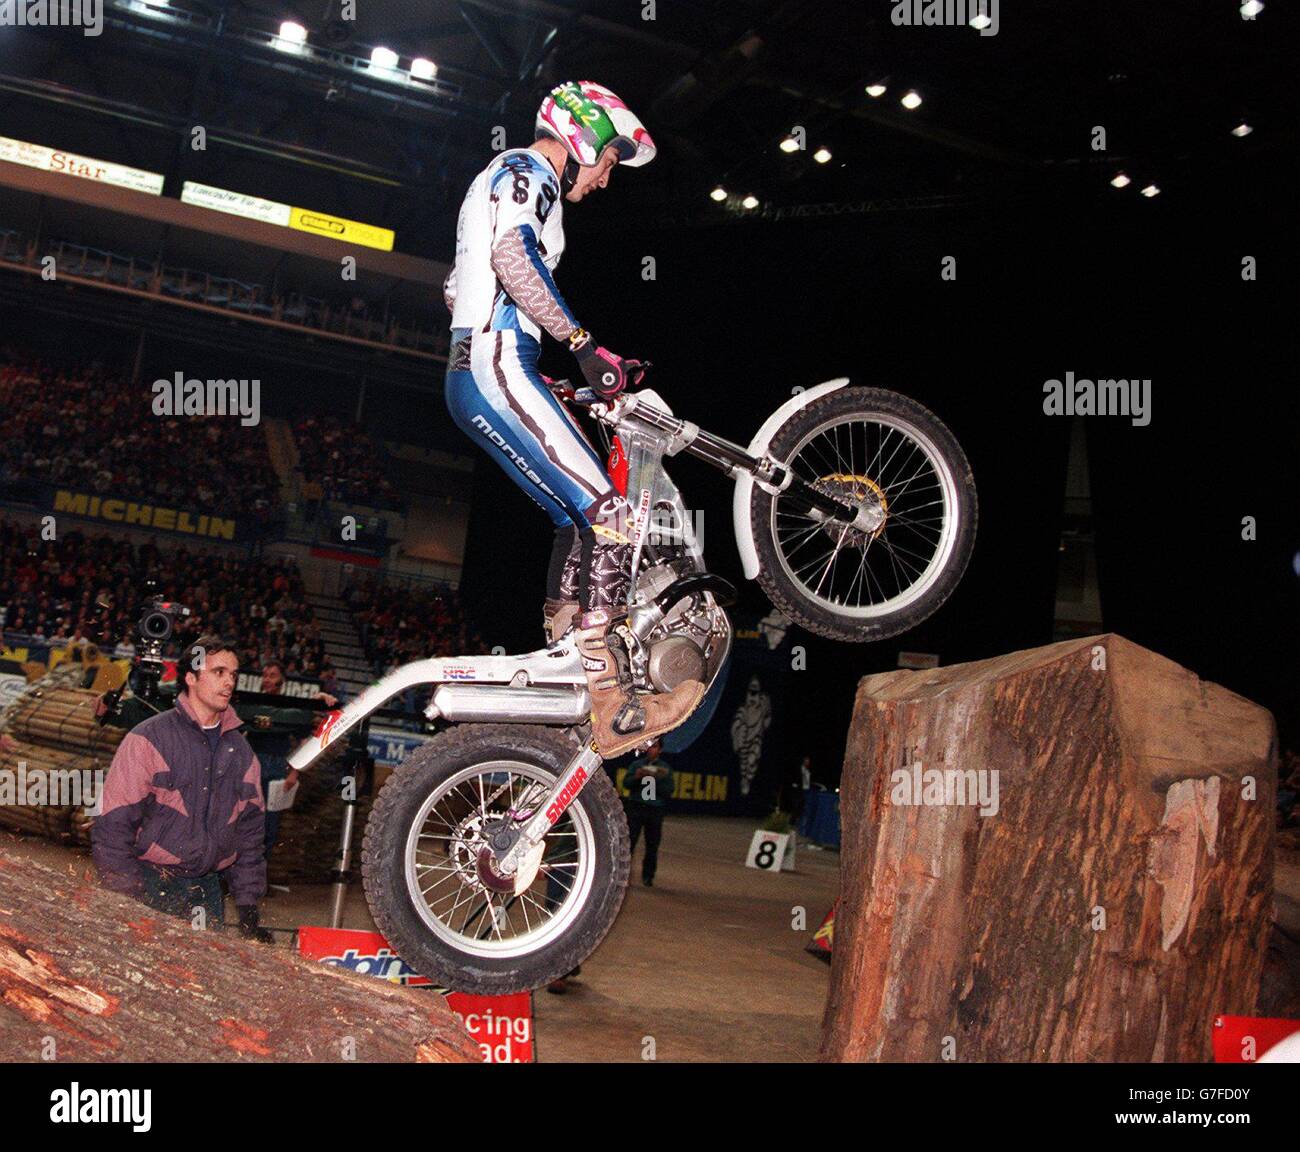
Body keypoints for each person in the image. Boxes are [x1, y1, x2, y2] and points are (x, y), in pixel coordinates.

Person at [441, 79, 703, 758]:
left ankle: (568, 640)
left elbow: (457, 285)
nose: (608, 179)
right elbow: (509, 258)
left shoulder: (504, 180)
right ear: (583, 136)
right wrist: (585, 348)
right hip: (495, 368)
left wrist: (540, 376)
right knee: (612, 511)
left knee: (575, 517)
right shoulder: (529, 171)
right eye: (610, 161)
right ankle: (612, 699)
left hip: (486, 369)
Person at [91, 633, 273, 942]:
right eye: (218, 672)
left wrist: (248, 909)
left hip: (207, 892)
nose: (229, 682)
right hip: (150, 881)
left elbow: (250, 836)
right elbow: (113, 823)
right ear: (190, 676)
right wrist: (124, 895)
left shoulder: (241, 754)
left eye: (233, 674)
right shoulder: (149, 738)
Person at [622, 738, 673, 887]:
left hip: (654, 810)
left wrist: (656, 780)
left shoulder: (664, 768)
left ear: (660, 750)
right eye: (650, 747)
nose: (652, 750)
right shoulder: (637, 765)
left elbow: (669, 790)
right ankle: (623, 875)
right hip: (637, 807)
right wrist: (638, 777)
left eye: (655, 747)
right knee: (629, 843)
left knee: (652, 845)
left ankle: (648, 876)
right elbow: (626, 783)